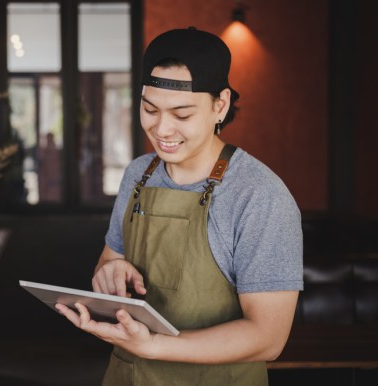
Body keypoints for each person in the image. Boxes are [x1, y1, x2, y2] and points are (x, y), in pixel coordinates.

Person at [55, 27, 303, 386]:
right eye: (149, 109)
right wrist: (109, 273)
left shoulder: (259, 195)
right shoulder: (138, 174)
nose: (162, 129)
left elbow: (268, 337)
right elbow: (108, 261)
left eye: (182, 114)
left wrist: (154, 344)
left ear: (220, 104)